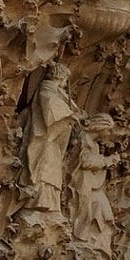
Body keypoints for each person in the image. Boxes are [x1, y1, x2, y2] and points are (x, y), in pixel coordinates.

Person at [23, 63, 76, 211]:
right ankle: (39, 202)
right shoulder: (46, 89)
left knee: (53, 171)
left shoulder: (56, 92)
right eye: (65, 79)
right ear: (61, 76)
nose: (66, 84)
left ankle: (50, 205)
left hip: (52, 141)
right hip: (45, 138)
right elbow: (51, 110)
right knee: (45, 169)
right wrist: (68, 114)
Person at [69, 115, 118, 256]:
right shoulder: (83, 138)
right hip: (80, 183)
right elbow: (84, 161)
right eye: (108, 131)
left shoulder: (95, 145)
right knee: (92, 208)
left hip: (92, 185)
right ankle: (83, 239)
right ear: (100, 127)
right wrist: (107, 160)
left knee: (104, 210)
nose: (109, 135)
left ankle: (96, 244)